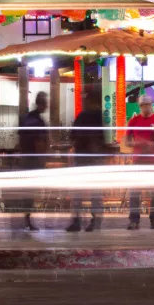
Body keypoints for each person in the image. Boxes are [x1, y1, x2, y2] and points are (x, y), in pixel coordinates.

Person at [66, 88, 106, 232]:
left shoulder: (84, 115)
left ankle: (78, 221)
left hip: (83, 157)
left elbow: (72, 135)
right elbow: (102, 138)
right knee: (94, 193)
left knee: (79, 192)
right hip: (93, 158)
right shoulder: (99, 117)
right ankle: (95, 221)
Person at [126, 93, 154, 230]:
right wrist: (136, 143)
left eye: (147, 105)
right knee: (135, 192)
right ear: (139, 106)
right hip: (138, 160)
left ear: (151, 105)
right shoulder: (133, 121)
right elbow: (127, 141)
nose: (145, 108)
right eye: (143, 105)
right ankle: (134, 220)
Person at [16, 91, 49, 232]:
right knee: (30, 193)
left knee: (27, 192)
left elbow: (21, 140)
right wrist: (43, 158)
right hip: (33, 160)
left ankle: (26, 219)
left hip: (26, 159)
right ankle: (26, 220)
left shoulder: (27, 118)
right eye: (45, 103)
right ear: (42, 104)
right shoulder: (37, 121)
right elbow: (40, 142)